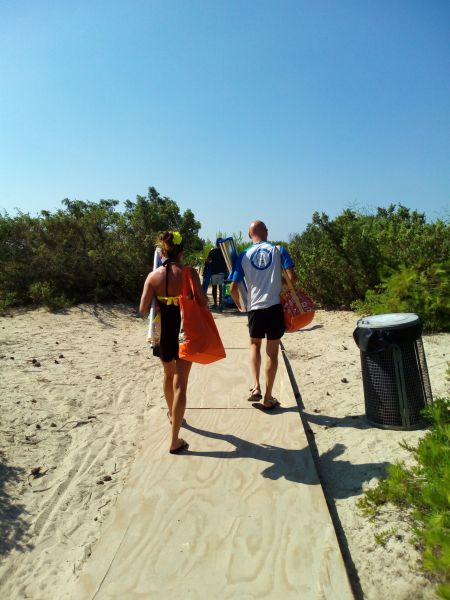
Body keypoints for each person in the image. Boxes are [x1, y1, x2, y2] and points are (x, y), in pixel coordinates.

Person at [140, 230, 208, 453]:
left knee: (168, 376)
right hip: (183, 331)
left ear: (163, 252)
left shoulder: (153, 277)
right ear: (181, 252)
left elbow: (142, 309)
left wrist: (159, 304)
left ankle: (172, 414)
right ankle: (174, 440)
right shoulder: (189, 274)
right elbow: (202, 302)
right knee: (181, 383)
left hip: (163, 333)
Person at [229, 220, 297, 410]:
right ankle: (268, 397)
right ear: (266, 232)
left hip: (255, 307)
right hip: (275, 307)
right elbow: (292, 279)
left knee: (254, 345)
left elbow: (233, 287)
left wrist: (238, 303)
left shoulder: (243, 255)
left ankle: (255, 387)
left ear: (250, 235)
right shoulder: (278, 250)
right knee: (272, 352)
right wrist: (278, 281)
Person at [205, 239, 228, 310]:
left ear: (216, 244)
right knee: (221, 289)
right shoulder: (225, 252)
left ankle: (215, 304)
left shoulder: (212, 251)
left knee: (214, 288)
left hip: (214, 273)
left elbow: (207, 261)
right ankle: (220, 304)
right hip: (222, 273)